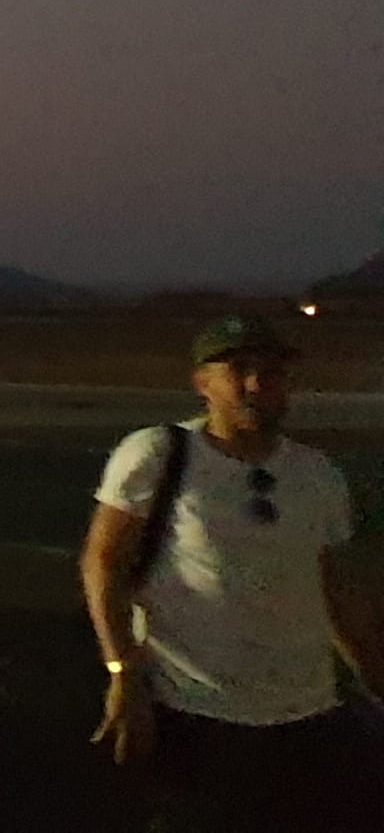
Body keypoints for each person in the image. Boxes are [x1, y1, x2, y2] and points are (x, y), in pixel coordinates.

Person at [83, 315, 384, 822]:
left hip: (306, 715)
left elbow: (337, 589)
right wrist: (123, 675)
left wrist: (373, 676)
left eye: (270, 372)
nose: (255, 385)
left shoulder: (316, 475)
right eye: (237, 370)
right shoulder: (159, 453)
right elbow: (102, 564)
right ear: (202, 382)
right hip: (195, 714)